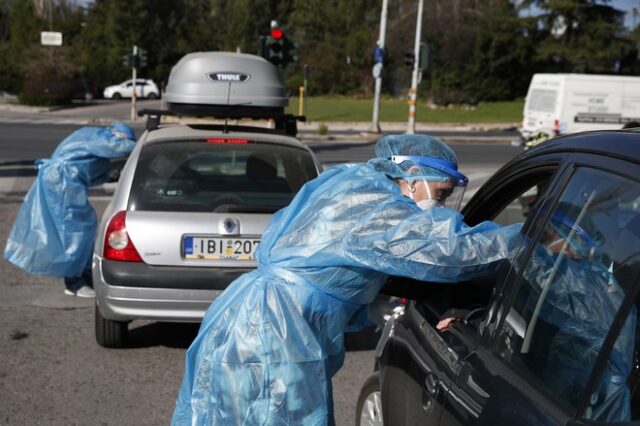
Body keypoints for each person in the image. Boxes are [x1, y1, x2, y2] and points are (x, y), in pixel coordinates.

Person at [171, 134, 523, 425]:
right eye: (442, 194)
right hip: (275, 331)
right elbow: (448, 252)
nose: (442, 205)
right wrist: (529, 241)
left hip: (252, 315)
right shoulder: (376, 207)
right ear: (412, 176)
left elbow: (350, 270)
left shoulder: (352, 183)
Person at [4, 122, 136, 297]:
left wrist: (108, 176)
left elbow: (84, 168)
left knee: (82, 227)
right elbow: (119, 147)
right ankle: (74, 283)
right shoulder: (100, 137)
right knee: (74, 231)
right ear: (118, 134)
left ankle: (84, 276)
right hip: (62, 183)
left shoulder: (91, 138)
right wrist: (145, 145)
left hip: (63, 181)